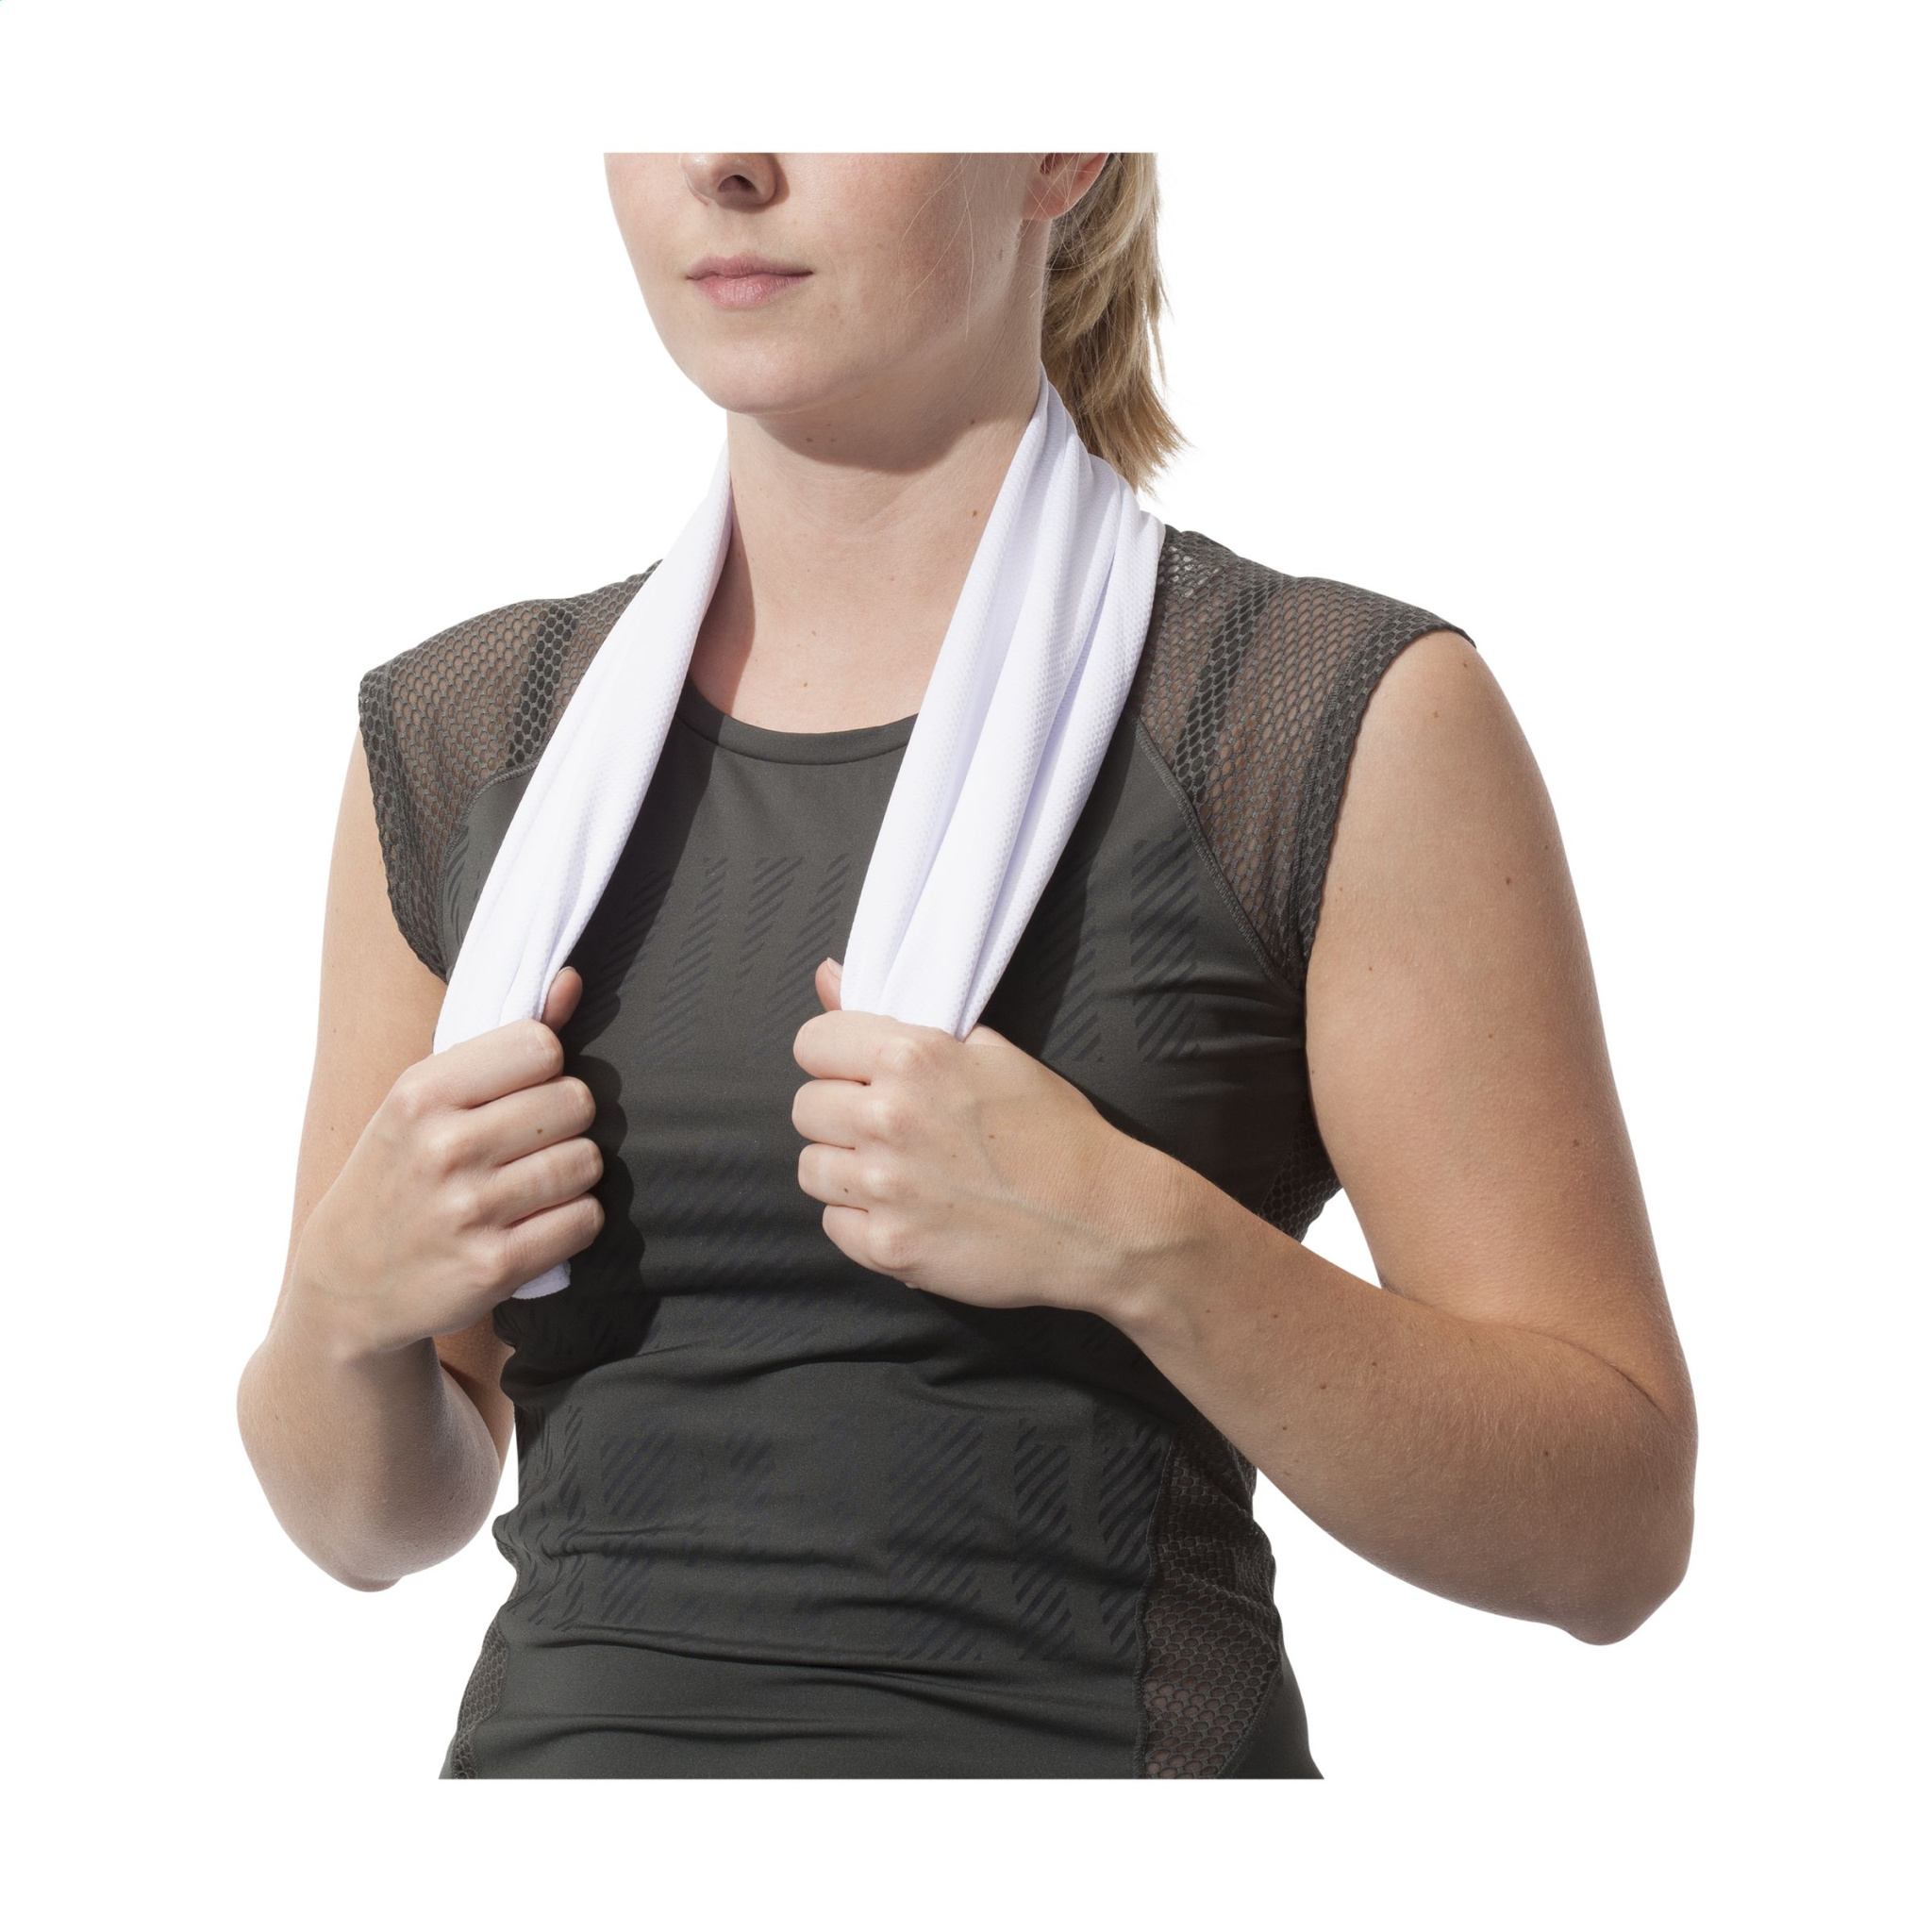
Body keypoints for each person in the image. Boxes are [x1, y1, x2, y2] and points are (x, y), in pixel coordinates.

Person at [236, 153, 1698, 1779]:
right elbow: (368, 1525)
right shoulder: (467, 739)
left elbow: (1611, 1529)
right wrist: (340, 1312)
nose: (729, 159)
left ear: (1058, 147)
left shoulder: (1309, 722)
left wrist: (1140, 1241)